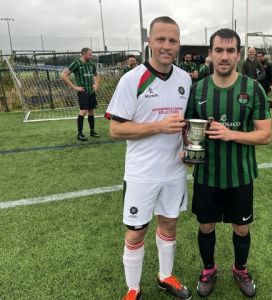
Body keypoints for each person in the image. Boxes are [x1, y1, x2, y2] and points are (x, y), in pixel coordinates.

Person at [105, 16, 192, 300]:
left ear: (179, 44)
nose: (167, 46)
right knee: (135, 233)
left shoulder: (185, 79)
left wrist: (189, 146)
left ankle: (165, 276)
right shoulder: (132, 79)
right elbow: (116, 129)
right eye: (161, 39)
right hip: (141, 173)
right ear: (149, 42)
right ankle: (133, 289)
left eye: (173, 40)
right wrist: (158, 126)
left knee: (169, 225)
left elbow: (185, 125)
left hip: (175, 170)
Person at [185, 28, 272, 298]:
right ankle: (209, 269)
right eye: (219, 50)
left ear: (238, 54)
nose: (224, 56)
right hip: (207, 175)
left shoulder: (253, 89)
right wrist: (186, 149)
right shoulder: (197, 89)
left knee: (241, 226)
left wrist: (229, 133)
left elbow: (265, 135)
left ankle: (240, 268)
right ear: (210, 54)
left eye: (230, 50)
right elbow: (188, 130)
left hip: (240, 175)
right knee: (206, 225)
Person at [61, 47, 100, 141]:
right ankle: (80, 134)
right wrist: (74, 87)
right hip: (82, 92)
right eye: (90, 55)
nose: (91, 56)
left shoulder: (91, 64)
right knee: (83, 111)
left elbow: (96, 75)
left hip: (91, 91)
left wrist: (96, 84)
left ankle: (92, 131)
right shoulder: (76, 63)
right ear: (84, 54)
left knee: (91, 111)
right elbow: (63, 75)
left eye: (91, 54)